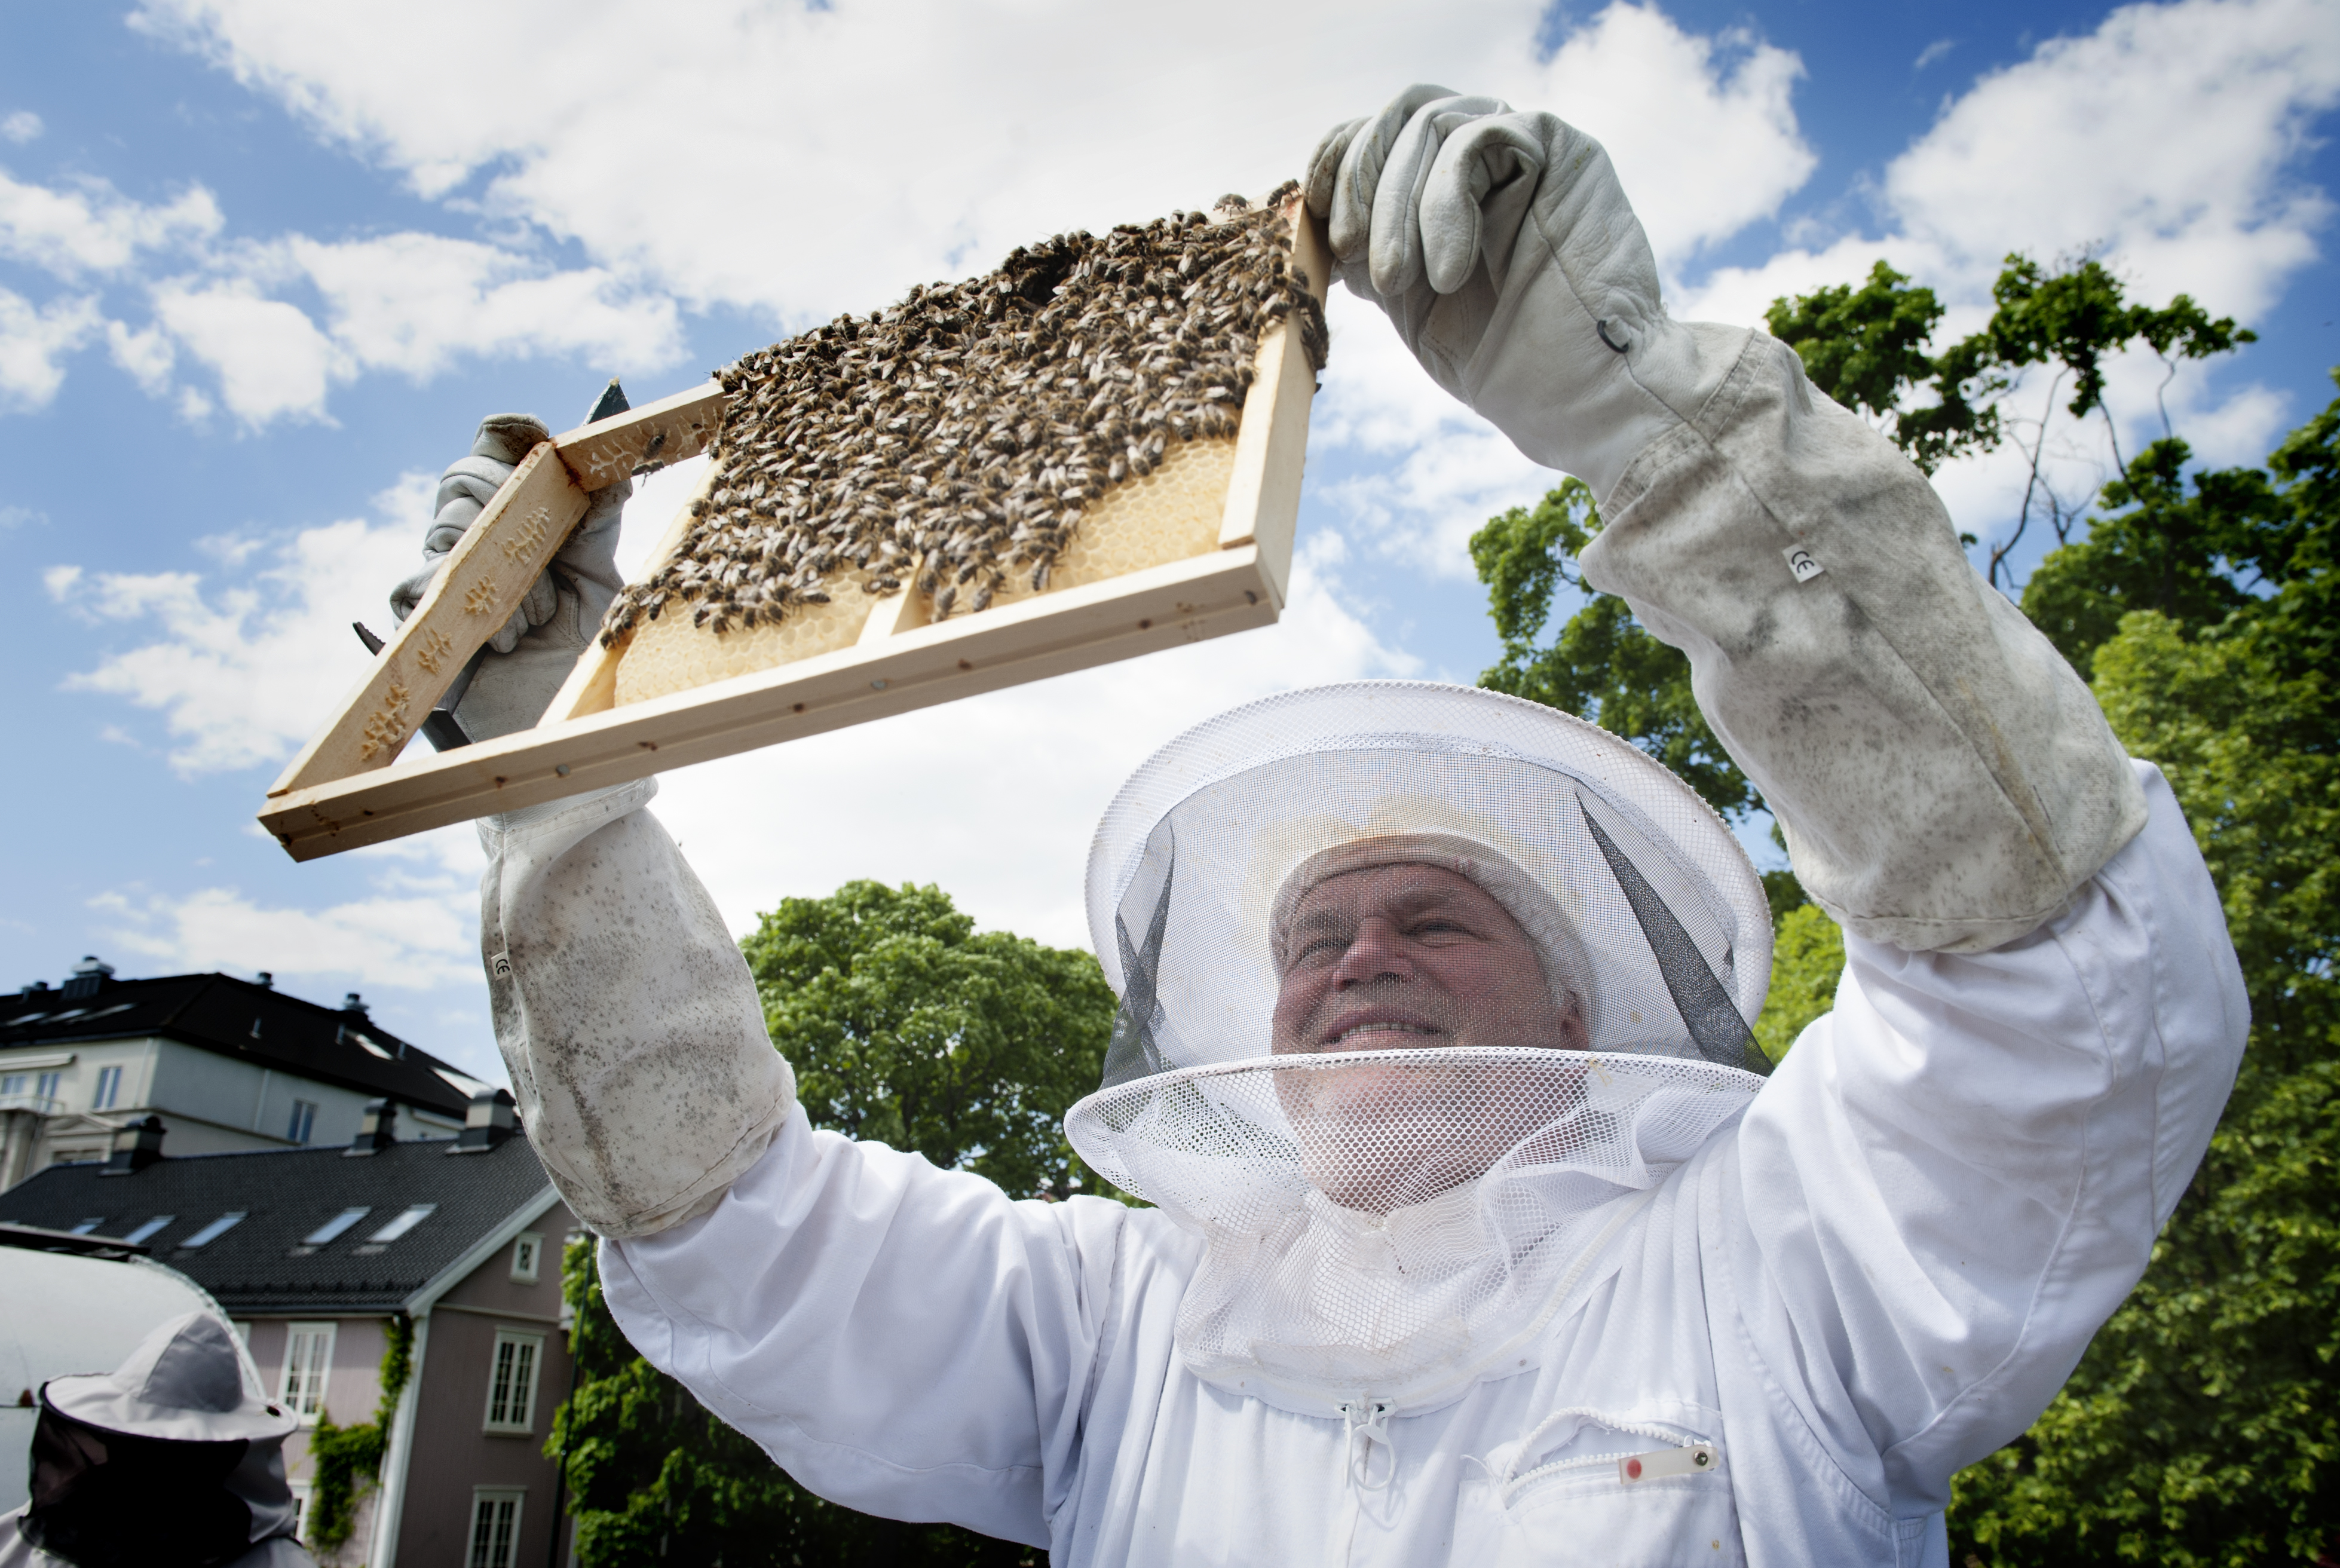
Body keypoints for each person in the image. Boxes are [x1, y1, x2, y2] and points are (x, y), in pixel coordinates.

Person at [406, 87, 2247, 1566]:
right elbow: (733, 1233)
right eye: (1310, 936)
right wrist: (558, 796)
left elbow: (2055, 979)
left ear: (1584, 994)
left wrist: (1651, 419)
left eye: (1433, 915)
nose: (1355, 954)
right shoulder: (1111, 1309)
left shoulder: (1781, 1251)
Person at [3, 1312, 313, 1567]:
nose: (147, 1469)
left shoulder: (275, 1562)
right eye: (135, 1448)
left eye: (169, 1456)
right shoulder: (48, 1532)